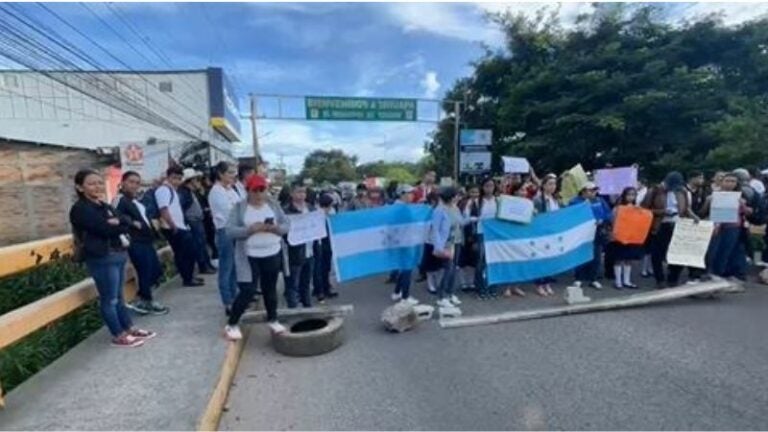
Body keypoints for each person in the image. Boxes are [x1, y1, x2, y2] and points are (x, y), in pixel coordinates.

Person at [70, 169, 155, 347]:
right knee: (109, 298)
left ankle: (128, 328)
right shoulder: (80, 209)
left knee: (119, 296)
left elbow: (125, 221)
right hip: (101, 257)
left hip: (117, 255)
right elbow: (104, 229)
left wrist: (119, 223)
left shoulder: (103, 205)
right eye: (91, 183)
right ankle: (118, 334)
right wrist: (118, 224)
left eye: (99, 183)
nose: (97, 186)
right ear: (80, 187)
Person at [223, 174, 289, 340]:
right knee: (248, 290)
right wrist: (250, 230)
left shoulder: (273, 205)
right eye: (255, 190)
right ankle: (231, 324)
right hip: (249, 255)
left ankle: (273, 319)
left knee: (270, 289)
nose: (259, 194)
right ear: (248, 191)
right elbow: (229, 230)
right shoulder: (239, 207)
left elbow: (286, 225)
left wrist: (275, 228)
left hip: (272, 252)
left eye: (262, 190)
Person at [115, 171, 169, 316]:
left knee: (154, 270)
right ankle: (146, 300)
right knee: (145, 271)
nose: (134, 185)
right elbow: (115, 216)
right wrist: (132, 222)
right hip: (136, 241)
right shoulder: (120, 200)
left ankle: (143, 298)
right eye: (131, 182)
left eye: (137, 183)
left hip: (146, 240)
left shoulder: (134, 200)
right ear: (123, 182)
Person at [642, 171, 699, 289]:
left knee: (679, 254)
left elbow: (686, 208)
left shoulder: (682, 191)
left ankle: (673, 278)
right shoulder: (654, 191)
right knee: (657, 254)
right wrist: (662, 212)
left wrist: (694, 217)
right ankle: (660, 280)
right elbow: (644, 209)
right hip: (660, 225)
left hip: (678, 224)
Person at [156, 166, 201, 288]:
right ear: (168, 177)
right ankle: (187, 278)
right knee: (184, 254)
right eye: (174, 178)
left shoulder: (173, 190)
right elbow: (163, 209)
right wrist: (173, 226)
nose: (176, 181)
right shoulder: (163, 190)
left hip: (180, 226)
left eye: (179, 178)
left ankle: (189, 276)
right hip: (173, 227)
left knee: (188, 253)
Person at [702, 173, 752, 280]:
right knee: (713, 251)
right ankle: (710, 272)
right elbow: (703, 212)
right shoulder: (713, 194)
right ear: (722, 182)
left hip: (733, 226)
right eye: (727, 181)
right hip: (716, 226)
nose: (730, 183)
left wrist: (743, 205)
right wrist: (708, 202)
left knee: (726, 251)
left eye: (733, 181)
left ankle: (719, 273)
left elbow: (748, 212)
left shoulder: (741, 195)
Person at [208, 162, 241, 314]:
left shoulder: (230, 190)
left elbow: (241, 205)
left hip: (234, 230)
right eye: (229, 172)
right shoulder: (216, 191)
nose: (233, 175)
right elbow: (230, 212)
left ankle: (234, 298)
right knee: (226, 268)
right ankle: (227, 301)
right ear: (220, 174)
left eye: (234, 172)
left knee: (234, 267)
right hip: (225, 231)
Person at [569, 182, 613, 290]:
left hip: (597, 232)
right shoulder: (575, 202)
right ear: (583, 191)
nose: (593, 192)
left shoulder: (600, 201)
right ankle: (578, 278)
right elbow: (571, 215)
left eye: (595, 190)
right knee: (581, 255)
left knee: (596, 256)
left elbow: (608, 214)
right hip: (581, 233)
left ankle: (593, 279)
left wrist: (603, 220)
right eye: (591, 190)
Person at [425, 186, 463, 310]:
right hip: (445, 244)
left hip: (456, 241)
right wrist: (439, 246)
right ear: (451, 197)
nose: (458, 197)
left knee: (454, 270)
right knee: (448, 270)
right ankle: (441, 297)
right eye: (456, 195)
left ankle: (450, 294)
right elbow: (435, 230)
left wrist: (475, 219)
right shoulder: (439, 210)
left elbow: (461, 222)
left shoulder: (455, 208)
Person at [283, 182, 316, 309]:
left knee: (306, 283)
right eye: (298, 192)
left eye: (304, 192)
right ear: (291, 193)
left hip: (310, 250)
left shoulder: (311, 208)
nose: (302, 195)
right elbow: (284, 233)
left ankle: (307, 307)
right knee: (292, 284)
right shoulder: (286, 210)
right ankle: (293, 309)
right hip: (294, 253)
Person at [179, 168, 216, 275]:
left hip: (198, 221)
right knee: (199, 245)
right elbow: (182, 209)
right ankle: (203, 266)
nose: (198, 182)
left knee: (202, 244)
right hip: (193, 222)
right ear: (190, 181)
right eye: (195, 180)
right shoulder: (184, 193)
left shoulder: (191, 192)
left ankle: (207, 264)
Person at [390, 184, 420, 305]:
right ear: (402, 194)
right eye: (410, 193)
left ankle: (397, 292)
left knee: (403, 268)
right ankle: (405, 297)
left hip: (403, 241)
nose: (412, 195)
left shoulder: (399, 206)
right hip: (405, 241)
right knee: (407, 269)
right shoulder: (401, 208)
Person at [531, 174, 560, 296]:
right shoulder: (538, 199)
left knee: (550, 260)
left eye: (554, 184)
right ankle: (539, 284)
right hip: (542, 234)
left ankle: (547, 283)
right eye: (550, 184)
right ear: (543, 185)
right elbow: (535, 217)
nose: (552, 186)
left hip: (552, 233)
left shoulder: (555, 199)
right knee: (541, 259)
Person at [610, 187, 643, 289]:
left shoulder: (637, 208)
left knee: (628, 259)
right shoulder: (618, 208)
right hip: (619, 237)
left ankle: (627, 280)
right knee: (619, 259)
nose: (631, 197)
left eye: (633, 195)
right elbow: (613, 221)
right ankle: (618, 281)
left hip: (631, 237)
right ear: (624, 196)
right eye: (629, 195)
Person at [474, 177, 499, 299]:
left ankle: (492, 287)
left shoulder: (498, 201)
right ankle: (480, 288)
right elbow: (470, 217)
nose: (489, 188)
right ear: (482, 187)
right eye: (487, 186)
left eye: (491, 186)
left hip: (495, 235)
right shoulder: (477, 202)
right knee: (481, 261)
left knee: (493, 261)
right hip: (482, 233)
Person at [313, 193, 338, 303]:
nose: (331, 208)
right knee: (319, 267)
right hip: (319, 243)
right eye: (329, 205)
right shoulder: (316, 214)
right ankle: (319, 290)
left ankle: (327, 287)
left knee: (327, 266)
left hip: (328, 242)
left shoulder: (332, 212)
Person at [458, 184, 481, 291]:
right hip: (464, 233)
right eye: (472, 192)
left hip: (477, 234)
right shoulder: (462, 204)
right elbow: (458, 219)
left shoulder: (482, 204)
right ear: (468, 193)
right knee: (462, 260)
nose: (474, 194)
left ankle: (471, 282)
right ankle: (463, 283)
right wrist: (469, 220)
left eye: (476, 192)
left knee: (473, 261)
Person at [199, 174, 218, 262]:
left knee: (212, 237)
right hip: (205, 219)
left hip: (210, 218)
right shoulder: (199, 192)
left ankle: (215, 255)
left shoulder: (209, 190)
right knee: (210, 238)